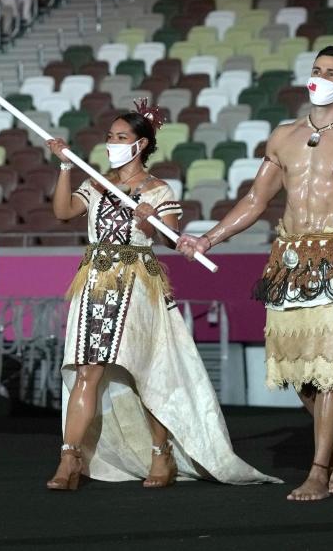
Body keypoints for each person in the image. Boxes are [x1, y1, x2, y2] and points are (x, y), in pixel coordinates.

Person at [176, 46, 333, 501]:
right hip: (289, 264)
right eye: (316, 70)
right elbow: (254, 200)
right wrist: (208, 238)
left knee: (329, 371)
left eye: (332, 73)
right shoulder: (283, 137)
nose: (320, 78)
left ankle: (319, 469)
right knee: (300, 375)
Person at [44, 103, 279, 490]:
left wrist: (148, 220)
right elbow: (63, 211)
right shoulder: (96, 181)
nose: (111, 144)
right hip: (96, 280)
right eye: (110, 137)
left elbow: (168, 237)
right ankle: (69, 459)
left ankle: (161, 454)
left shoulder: (159, 189)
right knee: (88, 369)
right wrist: (66, 165)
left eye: (121, 138)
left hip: (137, 284)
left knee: (144, 372)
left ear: (140, 145)